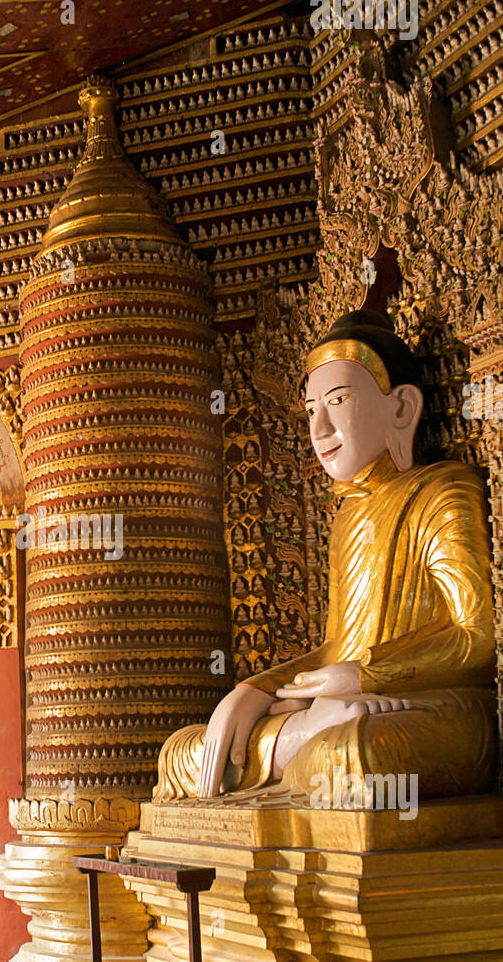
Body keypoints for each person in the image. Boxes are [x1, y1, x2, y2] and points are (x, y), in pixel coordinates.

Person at [154, 309, 496, 805]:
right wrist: (253, 689)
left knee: (353, 753)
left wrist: (364, 677)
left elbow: (478, 637)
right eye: (312, 409)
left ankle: (308, 736)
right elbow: (340, 647)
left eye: (338, 400)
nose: (321, 427)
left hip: (432, 708)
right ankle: (306, 734)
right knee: (183, 751)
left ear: (401, 408)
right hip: (349, 703)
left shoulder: (442, 490)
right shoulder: (347, 517)